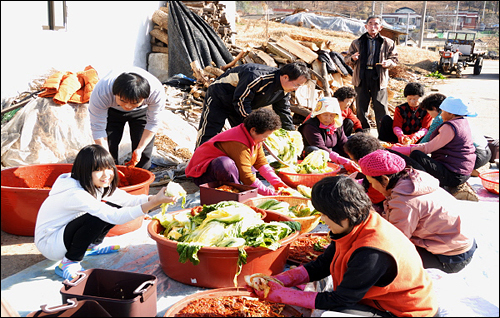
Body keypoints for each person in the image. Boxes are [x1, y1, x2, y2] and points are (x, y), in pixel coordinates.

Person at [246, 176, 438, 316]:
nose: (322, 220)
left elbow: (341, 300)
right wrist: (281, 280)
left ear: (343, 216)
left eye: (324, 214)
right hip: (375, 299)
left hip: (403, 312)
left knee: (326, 314)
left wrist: (281, 296)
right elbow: (322, 265)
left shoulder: (372, 252)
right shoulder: (359, 223)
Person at [34, 144, 179, 280]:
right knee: (97, 217)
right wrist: (155, 203)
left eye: (109, 168)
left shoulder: (92, 184)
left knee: (113, 207)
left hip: (63, 235)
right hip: (50, 243)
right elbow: (114, 217)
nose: (106, 174)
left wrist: (154, 197)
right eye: (98, 170)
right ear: (84, 170)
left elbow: (126, 200)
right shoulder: (75, 193)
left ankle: (90, 246)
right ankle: (69, 262)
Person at [358, 149, 477, 273]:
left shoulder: (405, 202)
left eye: (372, 183)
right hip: (464, 244)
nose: (372, 187)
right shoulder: (414, 178)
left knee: (379, 257)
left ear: (385, 180)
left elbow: (394, 239)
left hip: (451, 257)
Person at [195, 61, 311, 148]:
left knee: (247, 136)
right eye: (296, 85)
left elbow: (283, 112)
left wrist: (290, 134)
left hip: (242, 104)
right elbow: (241, 100)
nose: (296, 89)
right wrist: (253, 123)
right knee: (210, 131)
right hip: (220, 97)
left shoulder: (284, 90)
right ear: (285, 77)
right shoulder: (257, 76)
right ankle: (197, 163)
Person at [390, 96, 478, 201]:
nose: (441, 114)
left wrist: (398, 150)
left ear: (450, 113)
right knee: (416, 153)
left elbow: (428, 148)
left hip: (455, 175)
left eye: (443, 111)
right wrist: (408, 147)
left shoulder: (449, 127)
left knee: (416, 155)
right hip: (461, 172)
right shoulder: (461, 122)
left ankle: (424, 183)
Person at [186, 108, 288, 196]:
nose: (266, 139)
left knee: (249, 168)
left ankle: (236, 188)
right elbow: (246, 176)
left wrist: (278, 184)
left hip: (226, 173)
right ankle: (236, 193)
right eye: (265, 136)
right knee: (225, 163)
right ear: (253, 130)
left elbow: (261, 163)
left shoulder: (255, 139)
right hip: (203, 176)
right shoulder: (238, 142)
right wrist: (271, 194)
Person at [88, 67, 166, 170]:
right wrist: (107, 158)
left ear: (144, 98)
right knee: (109, 147)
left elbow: (153, 123)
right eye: (123, 101)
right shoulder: (102, 92)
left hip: (141, 111)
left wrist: (139, 149)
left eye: (134, 102)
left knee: (142, 152)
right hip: (112, 111)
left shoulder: (156, 92)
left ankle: (140, 177)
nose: (128, 106)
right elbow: (98, 129)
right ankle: (111, 176)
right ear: (115, 93)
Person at [344, 15, 398, 134]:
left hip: (379, 76)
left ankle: (384, 134)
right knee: (361, 106)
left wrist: (388, 62)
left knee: (381, 106)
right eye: (370, 24)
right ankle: (364, 132)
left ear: (380, 27)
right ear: (366, 26)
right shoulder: (357, 42)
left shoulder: (388, 42)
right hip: (361, 76)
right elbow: (346, 58)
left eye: (376, 24)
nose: (373, 26)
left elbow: (394, 59)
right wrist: (352, 58)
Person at [343, 132, 425, 209]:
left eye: (353, 160)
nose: (354, 162)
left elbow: (374, 198)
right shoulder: (386, 156)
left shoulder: (380, 174)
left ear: (362, 159)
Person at [419, 93, 492, 177]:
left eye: (428, 112)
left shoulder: (441, 119)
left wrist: (410, 148)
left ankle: (470, 171)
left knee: (422, 155)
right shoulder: (460, 118)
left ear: (434, 108)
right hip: (486, 153)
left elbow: (427, 141)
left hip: (476, 156)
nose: (429, 115)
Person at [298, 97, 360, 174]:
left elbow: (343, 141)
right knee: (314, 150)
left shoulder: (336, 124)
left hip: (332, 151)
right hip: (316, 154)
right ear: (318, 114)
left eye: (331, 115)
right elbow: (320, 146)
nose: (328, 118)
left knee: (353, 142)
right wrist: (340, 159)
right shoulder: (310, 126)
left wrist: (353, 156)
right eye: (325, 115)